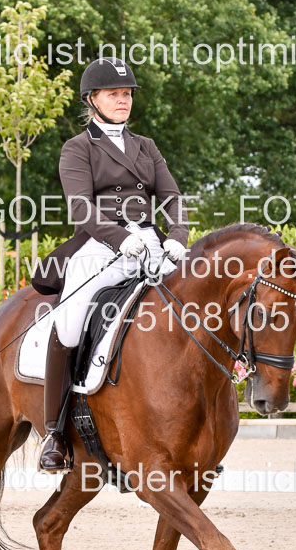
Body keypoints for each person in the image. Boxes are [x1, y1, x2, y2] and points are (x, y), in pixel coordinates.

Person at [33, 57, 189, 472]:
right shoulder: (78, 147)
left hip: (151, 243)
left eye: (127, 94)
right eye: (114, 94)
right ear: (92, 99)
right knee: (68, 323)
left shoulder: (146, 146)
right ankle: (55, 432)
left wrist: (177, 237)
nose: (123, 100)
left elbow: (172, 197)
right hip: (100, 247)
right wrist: (120, 239)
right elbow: (80, 207)